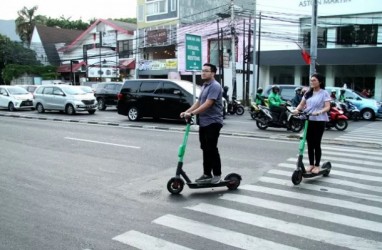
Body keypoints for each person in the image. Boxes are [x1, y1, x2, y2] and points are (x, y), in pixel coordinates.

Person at [180, 63, 224, 184]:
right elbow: (199, 102)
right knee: (205, 148)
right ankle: (206, 174)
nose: (203, 73)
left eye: (206, 71)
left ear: (213, 73)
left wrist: (192, 114)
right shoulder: (205, 85)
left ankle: (217, 174)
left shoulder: (215, 86)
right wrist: (187, 111)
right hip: (204, 122)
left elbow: (208, 103)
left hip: (213, 122)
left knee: (212, 148)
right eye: (202, 70)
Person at [293, 73, 331, 174]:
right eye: (311, 80)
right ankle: (311, 164)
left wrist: (319, 112)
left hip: (319, 121)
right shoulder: (308, 93)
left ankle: (317, 165)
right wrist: (296, 110)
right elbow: (301, 104)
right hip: (308, 120)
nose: (312, 82)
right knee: (309, 143)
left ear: (320, 82)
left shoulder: (324, 93)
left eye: (314, 80)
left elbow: (328, 107)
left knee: (316, 143)